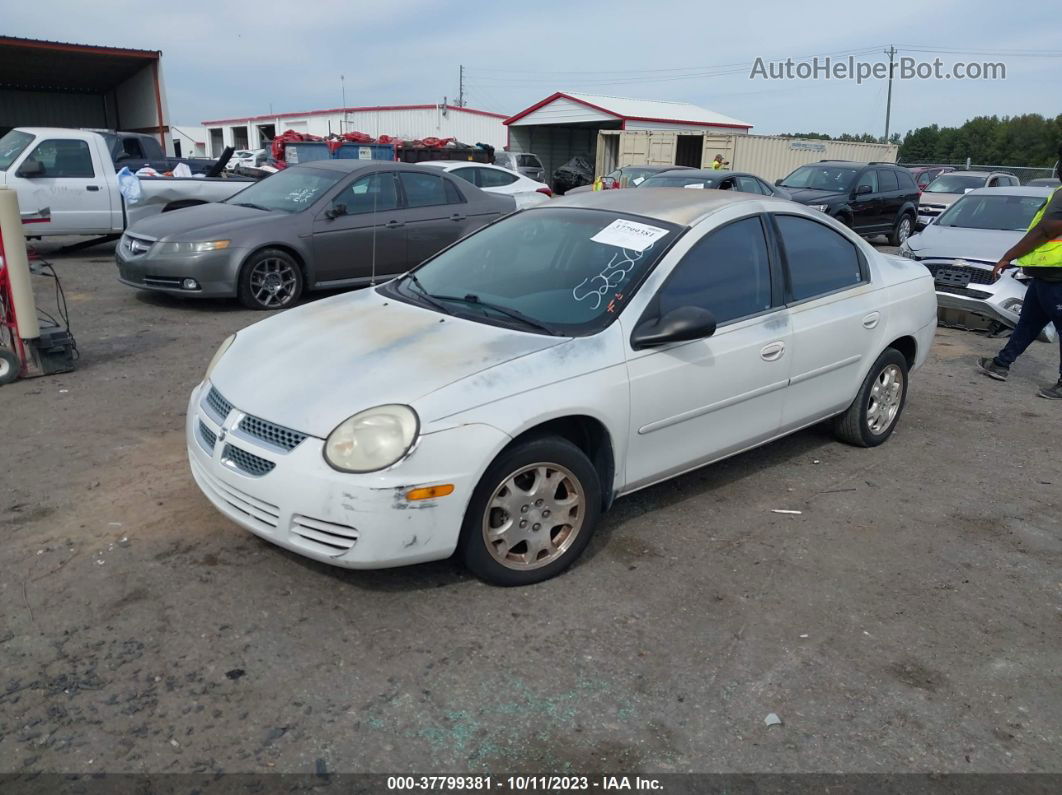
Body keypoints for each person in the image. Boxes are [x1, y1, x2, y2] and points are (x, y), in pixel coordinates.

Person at [977, 155, 1062, 399]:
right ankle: (1001, 364)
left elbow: (1045, 230)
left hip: (1057, 274)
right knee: (1028, 322)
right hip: (1045, 275)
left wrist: (1009, 255)